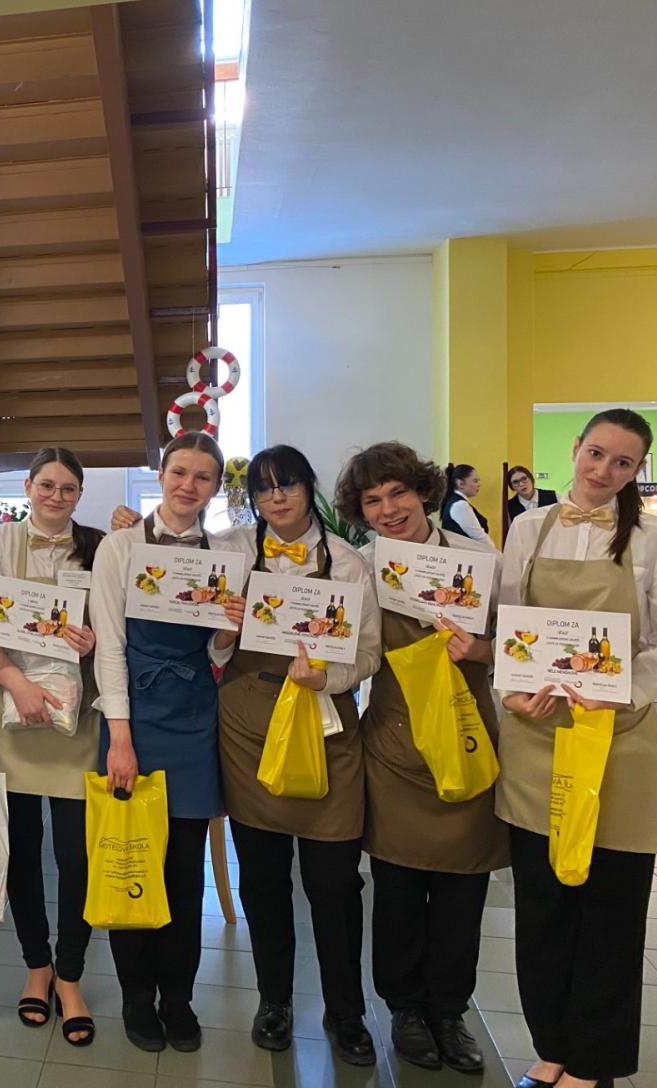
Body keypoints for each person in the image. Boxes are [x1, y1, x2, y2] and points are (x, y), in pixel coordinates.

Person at [497, 409, 657, 1088]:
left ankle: (592, 1063)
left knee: (611, 910)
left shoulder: (655, 539)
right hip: (537, 741)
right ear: (576, 448)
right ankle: (552, 1047)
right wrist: (512, 690)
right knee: (543, 907)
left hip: (619, 744)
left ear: (637, 472)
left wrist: (621, 693)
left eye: (623, 462)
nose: (604, 470)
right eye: (597, 453)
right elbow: (508, 625)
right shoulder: (528, 528)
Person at [334, 442, 507, 1073]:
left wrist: (480, 651)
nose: (388, 509)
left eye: (398, 492)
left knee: (464, 890)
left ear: (423, 491)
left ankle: (449, 1011)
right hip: (395, 746)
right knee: (399, 890)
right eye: (373, 500)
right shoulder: (362, 569)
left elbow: (523, 644)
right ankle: (405, 1008)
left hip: (467, 739)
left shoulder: (479, 561)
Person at [210, 446, 382, 1065]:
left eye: (287, 485)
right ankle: (274, 1001)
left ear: (309, 488)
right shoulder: (231, 551)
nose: (276, 498)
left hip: (326, 725)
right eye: (264, 489)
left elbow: (369, 654)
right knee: (262, 880)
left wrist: (327, 679)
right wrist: (225, 630)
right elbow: (208, 641)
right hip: (248, 728)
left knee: (334, 883)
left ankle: (346, 1011)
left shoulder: (349, 563)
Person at [0, 447, 103, 1047]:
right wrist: (9, 690)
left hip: (74, 724)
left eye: (68, 488)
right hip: (9, 717)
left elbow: (112, 631)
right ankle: (36, 966)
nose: (56, 497)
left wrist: (91, 642)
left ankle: (71, 975)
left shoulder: (99, 548)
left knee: (76, 856)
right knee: (19, 851)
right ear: (28, 487)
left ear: (79, 494)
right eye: (46, 485)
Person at [90, 432, 234, 1053]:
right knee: (132, 860)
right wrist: (120, 737)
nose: (188, 486)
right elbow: (110, 646)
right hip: (134, 717)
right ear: (162, 474)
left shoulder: (224, 555)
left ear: (216, 487)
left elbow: (218, 655)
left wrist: (229, 630)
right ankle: (134, 996)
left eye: (203, 477)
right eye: (179, 472)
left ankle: (178, 998)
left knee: (183, 873)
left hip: (195, 715)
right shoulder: (120, 547)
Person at [440, 464, 492, 545]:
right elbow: (479, 536)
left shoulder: (457, 502)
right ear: (461, 484)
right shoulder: (460, 505)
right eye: (475, 481)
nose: (479, 484)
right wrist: (495, 552)